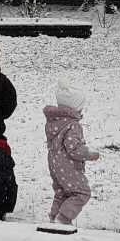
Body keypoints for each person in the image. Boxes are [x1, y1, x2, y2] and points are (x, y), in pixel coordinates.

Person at [43, 83, 102, 226]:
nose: (82, 109)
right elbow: (74, 148)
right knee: (82, 192)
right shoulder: (73, 125)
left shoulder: (54, 122)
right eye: (80, 106)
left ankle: (54, 217)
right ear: (73, 107)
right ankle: (63, 218)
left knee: (62, 192)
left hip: (54, 164)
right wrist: (89, 154)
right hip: (68, 166)